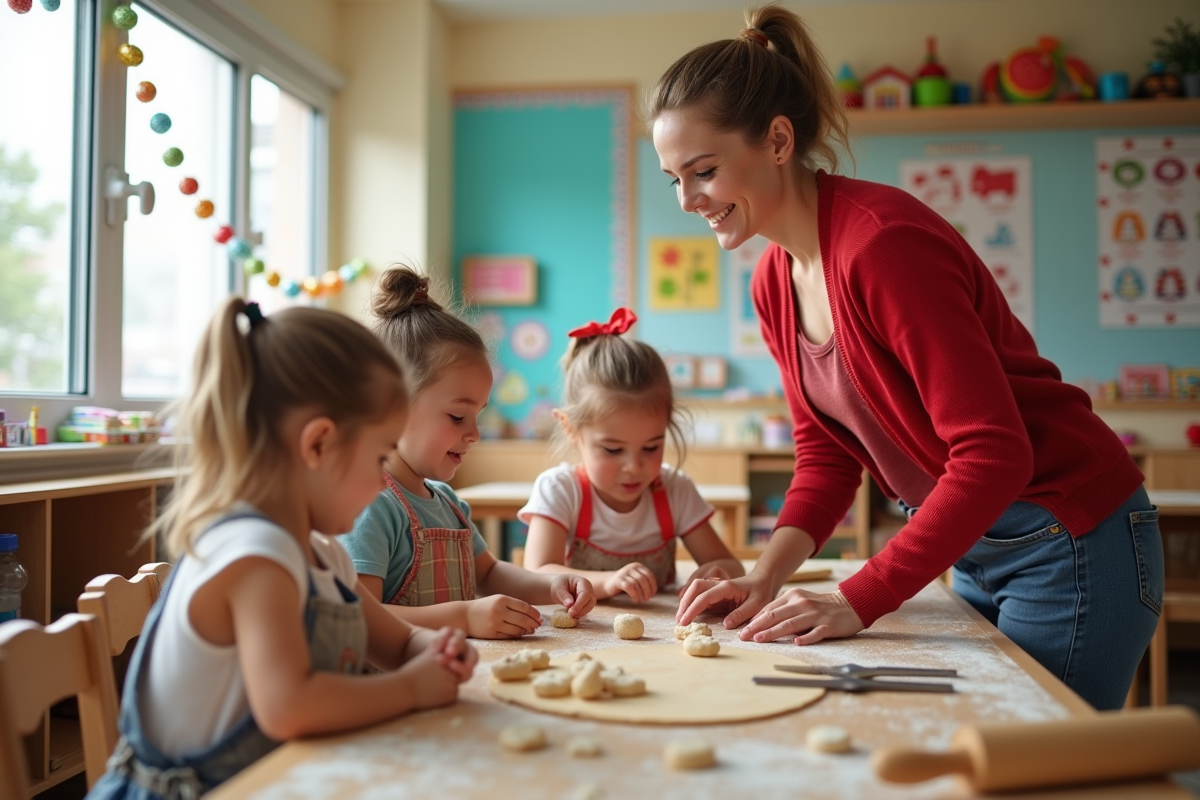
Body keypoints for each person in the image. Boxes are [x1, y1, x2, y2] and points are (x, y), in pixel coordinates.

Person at [656, 3, 1162, 710]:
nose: (686, 200)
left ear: (777, 140)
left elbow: (994, 454)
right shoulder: (774, 278)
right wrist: (766, 574)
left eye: (702, 171)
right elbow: (828, 456)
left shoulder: (881, 245)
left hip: (1069, 539)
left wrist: (859, 599)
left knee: (1035, 770)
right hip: (981, 544)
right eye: (672, 179)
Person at [88, 300, 476, 799]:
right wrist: (410, 689)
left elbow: (398, 643)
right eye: (379, 456)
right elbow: (290, 706)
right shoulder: (255, 556)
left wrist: (434, 650)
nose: (384, 484)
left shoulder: (323, 556)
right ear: (318, 445)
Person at [341, 267, 596, 638]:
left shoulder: (446, 502)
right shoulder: (372, 504)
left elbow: (489, 573)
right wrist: (464, 617)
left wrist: (553, 584)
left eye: (478, 415)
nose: (473, 433)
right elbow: (362, 619)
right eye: (458, 416)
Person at [520, 308, 745, 603]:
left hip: (663, 637)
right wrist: (608, 581)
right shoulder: (561, 490)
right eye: (613, 450)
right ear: (570, 429)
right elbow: (537, 572)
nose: (633, 467)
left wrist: (716, 573)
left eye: (651, 447)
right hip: (587, 632)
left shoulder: (675, 490)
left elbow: (733, 566)